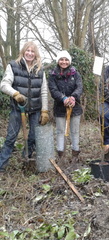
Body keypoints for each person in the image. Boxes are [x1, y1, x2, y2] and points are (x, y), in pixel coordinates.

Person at [0, 41, 49, 172]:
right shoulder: (13, 66)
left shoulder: (40, 69)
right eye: (28, 50)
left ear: (36, 54)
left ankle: (26, 159)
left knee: (33, 136)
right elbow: (4, 85)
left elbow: (44, 91)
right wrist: (15, 94)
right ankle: (1, 166)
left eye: (33, 51)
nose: (30, 53)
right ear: (23, 52)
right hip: (18, 108)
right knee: (11, 137)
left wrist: (44, 110)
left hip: (35, 109)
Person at [48, 50, 83, 166]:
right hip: (59, 108)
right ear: (58, 61)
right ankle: (61, 156)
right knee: (60, 131)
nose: (64, 62)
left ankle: (75, 156)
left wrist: (73, 97)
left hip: (75, 107)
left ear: (70, 61)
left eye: (66, 59)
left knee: (75, 131)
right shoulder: (53, 75)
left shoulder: (75, 74)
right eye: (61, 59)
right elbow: (53, 90)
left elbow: (79, 87)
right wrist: (63, 99)